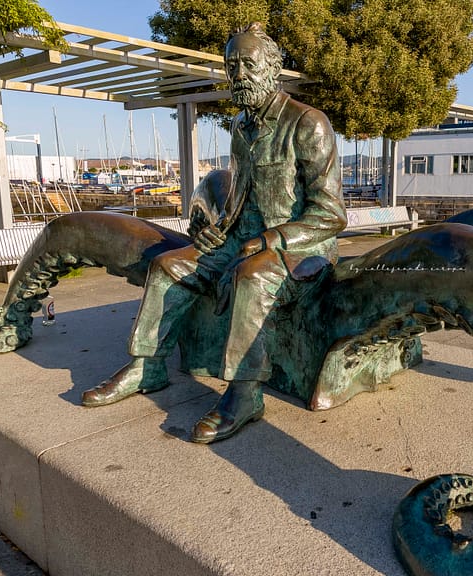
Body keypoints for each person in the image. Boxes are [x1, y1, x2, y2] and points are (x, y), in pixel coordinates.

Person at [81, 22, 347, 443]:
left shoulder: (308, 124)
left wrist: (270, 239)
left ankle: (245, 394)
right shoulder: (241, 127)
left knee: (252, 276)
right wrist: (217, 230)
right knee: (170, 266)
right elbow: (241, 198)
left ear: (273, 67)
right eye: (231, 65)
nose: (239, 74)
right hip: (242, 240)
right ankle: (146, 367)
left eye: (248, 64)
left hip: (301, 247)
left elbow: (331, 214)